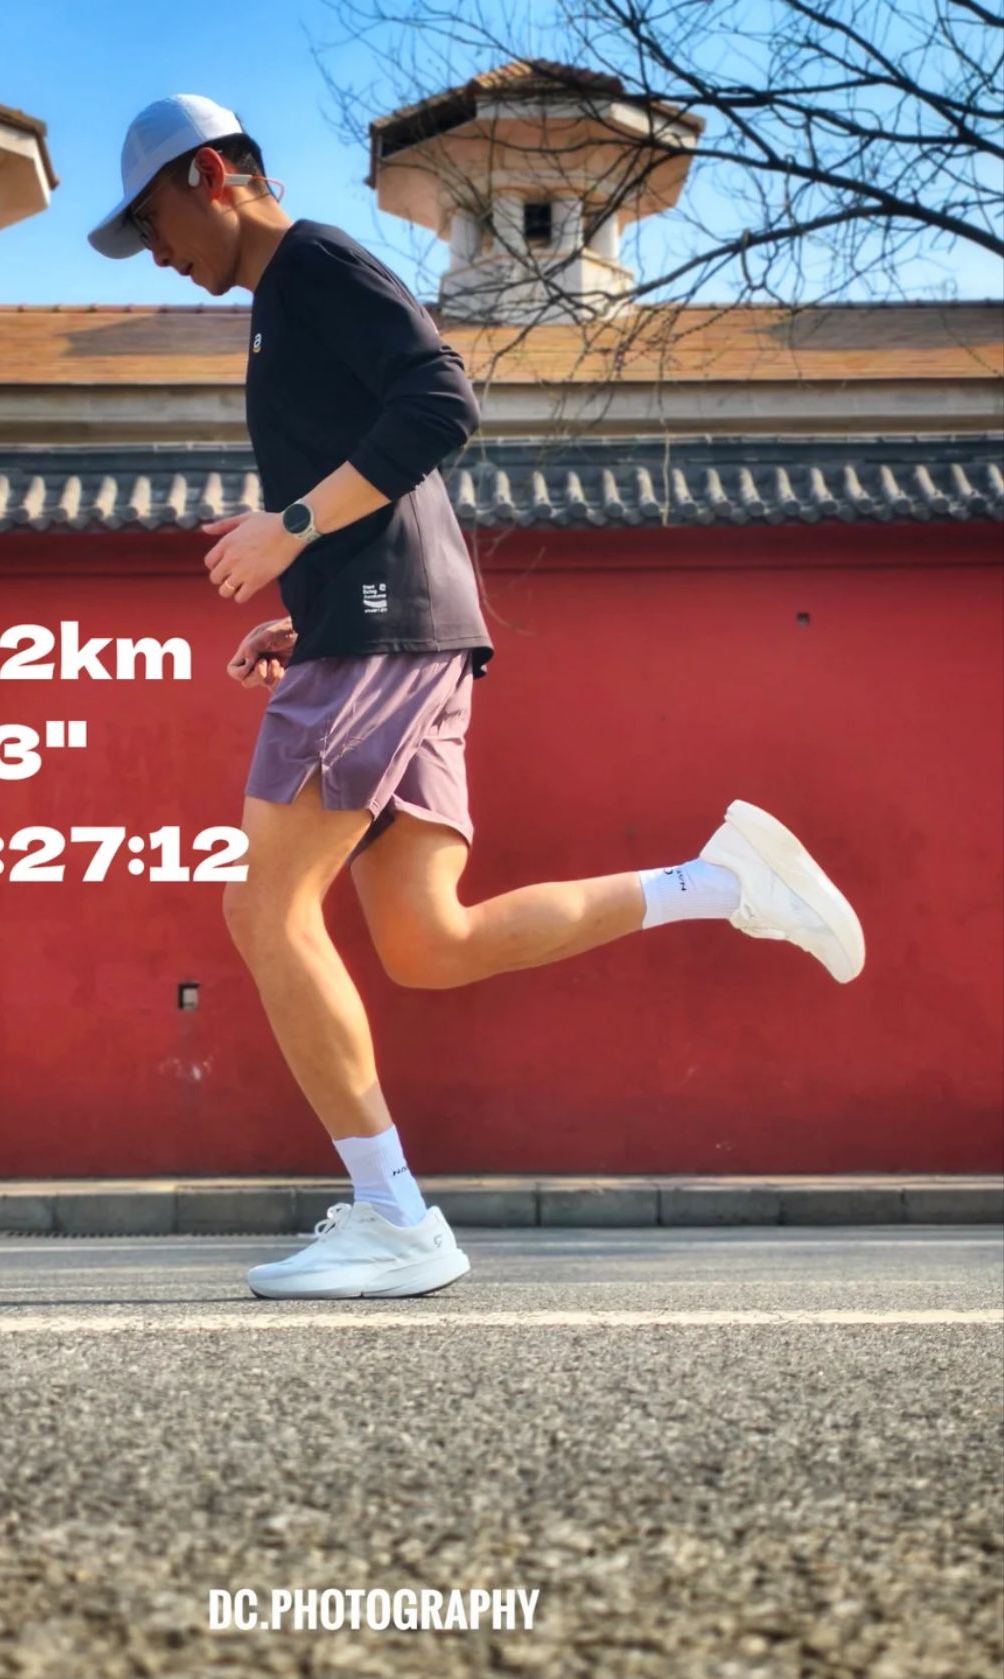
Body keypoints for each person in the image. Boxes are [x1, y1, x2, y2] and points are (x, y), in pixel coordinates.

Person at [88, 94, 866, 1302]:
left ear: (209, 176)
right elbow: (383, 483)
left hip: (385, 634)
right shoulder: (282, 301)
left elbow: (440, 400)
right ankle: (719, 882)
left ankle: (393, 1215)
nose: (155, 255)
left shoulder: (314, 264)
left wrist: (287, 527)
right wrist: (308, 610)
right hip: (390, 627)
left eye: (150, 224)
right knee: (425, 941)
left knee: (266, 907)